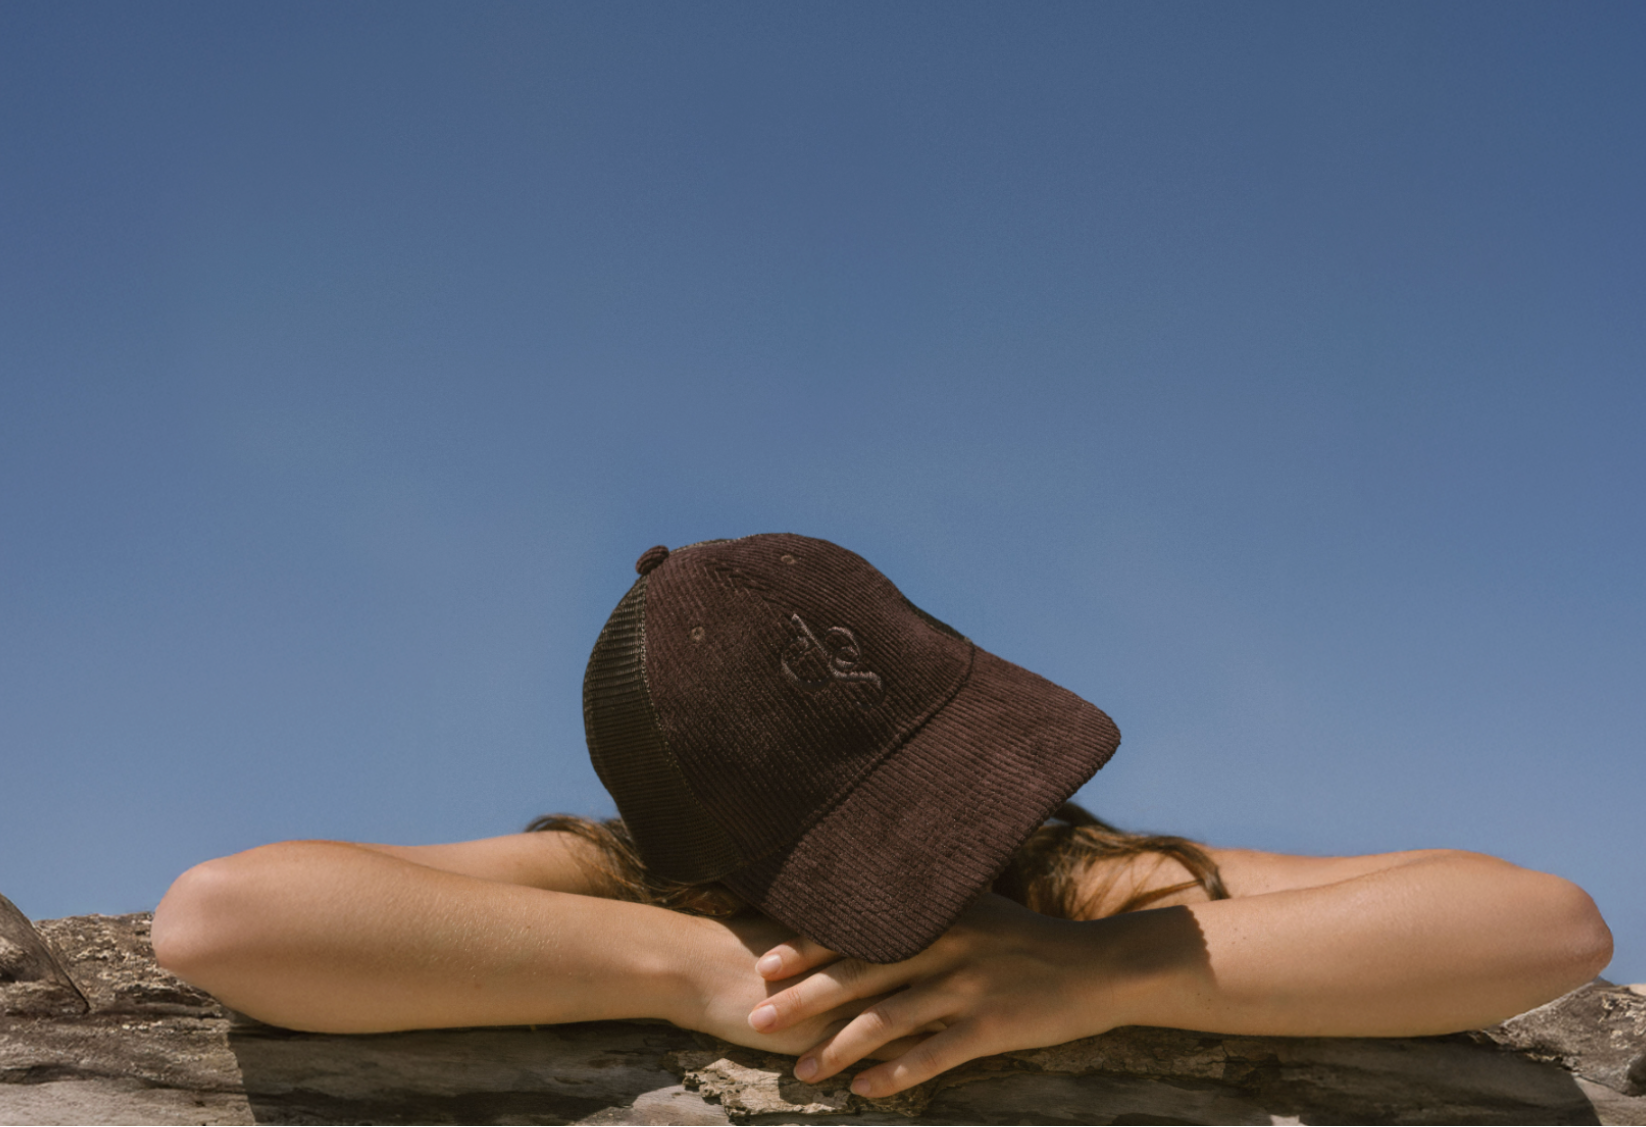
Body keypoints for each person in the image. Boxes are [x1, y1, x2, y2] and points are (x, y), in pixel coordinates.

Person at [153, 534, 1613, 1100]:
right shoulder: (636, 880)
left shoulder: (1070, 879)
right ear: (712, 852)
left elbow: (1542, 922)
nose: (967, 852)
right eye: (895, 834)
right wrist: (691, 970)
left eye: (971, 788)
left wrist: (1102, 971)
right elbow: (228, 916)